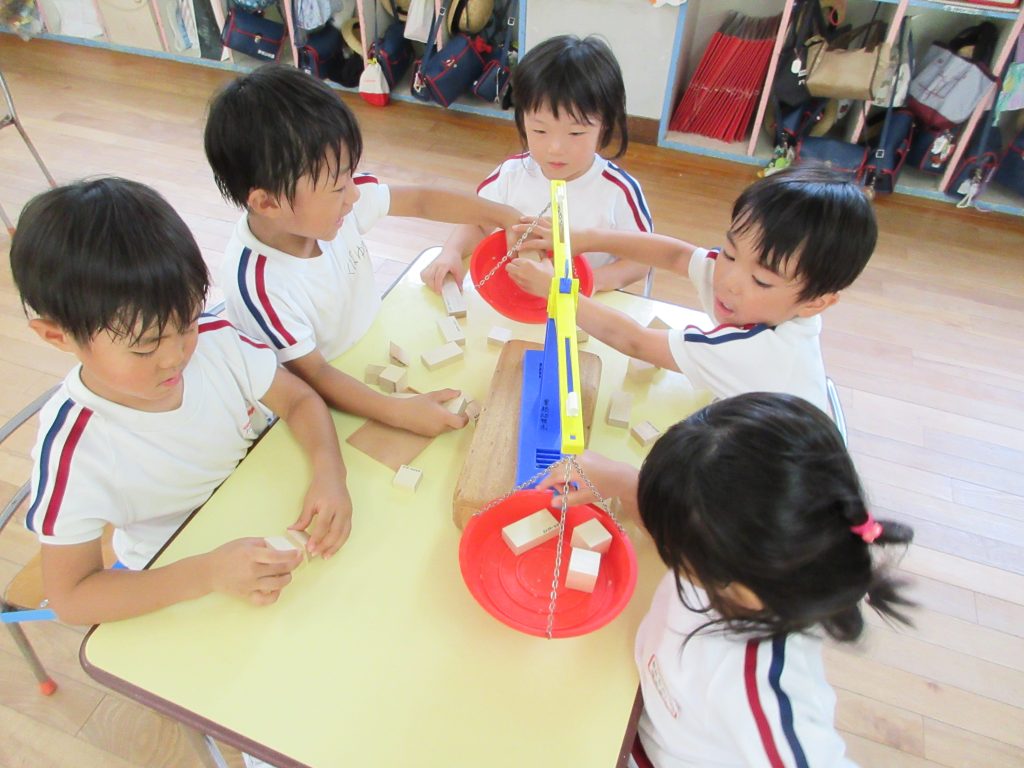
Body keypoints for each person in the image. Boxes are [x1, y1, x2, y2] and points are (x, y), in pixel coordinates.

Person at [11, 178, 352, 625]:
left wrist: (329, 471)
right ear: (58, 337)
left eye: (186, 323)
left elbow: (300, 400)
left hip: (265, 520)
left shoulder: (215, 342)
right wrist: (207, 574)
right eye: (144, 346)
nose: (176, 356)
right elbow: (72, 598)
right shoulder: (75, 451)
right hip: (180, 583)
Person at [576, 394, 913, 767]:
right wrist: (625, 484)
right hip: (635, 707)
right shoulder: (752, 564)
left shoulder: (761, 695)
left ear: (735, 581)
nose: (668, 546)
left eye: (676, 548)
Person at [205, 64, 523, 438]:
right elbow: (316, 374)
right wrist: (399, 412)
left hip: (370, 345)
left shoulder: (329, 206)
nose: (355, 195)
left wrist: (505, 216)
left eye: (350, 177)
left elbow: (421, 200)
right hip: (322, 398)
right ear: (267, 202)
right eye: (338, 187)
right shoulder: (259, 286)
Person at [511, 164, 876, 415]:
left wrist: (555, 292)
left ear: (816, 303)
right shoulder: (772, 297)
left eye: (761, 281)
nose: (728, 280)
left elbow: (636, 342)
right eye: (730, 252)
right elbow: (677, 255)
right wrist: (584, 238)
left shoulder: (758, 353)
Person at [419, 34, 653, 295]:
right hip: (518, 298)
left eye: (575, 133)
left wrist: (579, 285)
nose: (555, 148)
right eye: (540, 131)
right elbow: (477, 222)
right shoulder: (511, 175)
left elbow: (640, 261)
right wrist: (450, 252)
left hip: (584, 306)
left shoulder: (619, 191)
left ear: (605, 126)